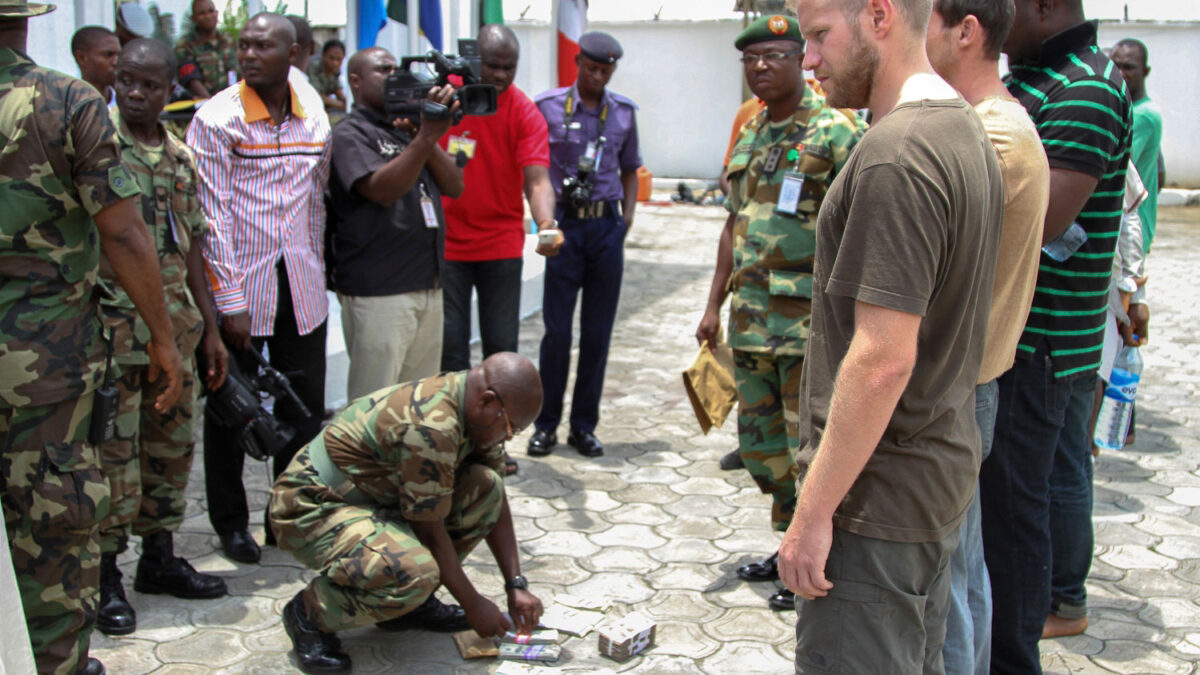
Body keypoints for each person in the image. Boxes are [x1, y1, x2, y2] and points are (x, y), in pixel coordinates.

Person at [782, 0, 1003, 672]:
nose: (809, 59)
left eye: (820, 35)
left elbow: (881, 358)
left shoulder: (895, 155)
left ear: (879, 16)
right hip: (930, 476)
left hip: (876, 502)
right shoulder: (962, 124)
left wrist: (811, 516)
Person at [1, 3, 184, 673]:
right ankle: (55, 662)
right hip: (42, 362)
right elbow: (124, 230)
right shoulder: (65, 100)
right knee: (52, 521)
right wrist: (162, 336)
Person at [978, 1, 1132, 667]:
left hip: (1040, 343)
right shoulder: (1035, 79)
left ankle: (1017, 655)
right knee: (999, 513)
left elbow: (1033, 224)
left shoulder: (1087, 87)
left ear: (1042, 7)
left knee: (1015, 518)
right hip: (1015, 334)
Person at [695, 13, 864, 612]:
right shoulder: (750, 132)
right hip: (750, 324)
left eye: (773, 55)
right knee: (763, 449)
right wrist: (714, 303)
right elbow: (733, 223)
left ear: (801, 59)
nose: (760, 67)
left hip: (807, 327)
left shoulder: (838, 133)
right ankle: (789, 545)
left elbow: (861, 231)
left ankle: (820, 564)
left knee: (808, 452)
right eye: (750, 59)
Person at [271, 352, 545, 674]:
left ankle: (407, 608)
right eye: (511, 429)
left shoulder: (475, 408)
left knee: (485, 487)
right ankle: (310, 613)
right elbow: (431, 530)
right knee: (415, 571)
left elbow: (495, 501)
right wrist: (474, 605)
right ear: (487, 401)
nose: (508, 438)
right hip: (311, 507)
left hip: (375, 499)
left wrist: (515, 583)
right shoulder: (432, 426)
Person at [924, 0, 1050, 672]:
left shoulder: (990, 137)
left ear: (967, 32)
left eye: (928, 27)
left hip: (958, 385)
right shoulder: (995, 126)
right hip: (972, 380)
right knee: (963, 570)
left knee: (945, 583)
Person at [93, 38, 231, 639]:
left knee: (171, 452)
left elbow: (194, 245)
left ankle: (159, 559)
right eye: (126, 81)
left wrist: (212, 330)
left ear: (168, 92)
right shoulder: (95, 150)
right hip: (115, 334)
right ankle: (105, 578)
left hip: (177, 330)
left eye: (149, 85)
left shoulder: (180, 159)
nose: (135, 93)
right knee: (113, 460)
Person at [188, 12, 332, 565]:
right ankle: (230, 524)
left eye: (261, 46)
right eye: (243, 45)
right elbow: (210, 218)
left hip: (300, 284)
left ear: (293, 53)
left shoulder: (312, 107)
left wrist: (318, 270)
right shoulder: (216, 119)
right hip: (241, 290)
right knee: (231, 409)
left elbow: (315, 198)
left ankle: (287, 518)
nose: (248, 54)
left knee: (302, 411)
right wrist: (229, 304)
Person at [527, 31, 641, 459]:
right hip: (564, 231)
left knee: (597, 333)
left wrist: (626, 219)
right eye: (591, 67)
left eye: (606, 70)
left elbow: (631, 169)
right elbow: (535, 169)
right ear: (578, 63)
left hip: (605, 229)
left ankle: (583, 426)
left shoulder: (624, 112)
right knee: (557, 332)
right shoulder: (548, 106)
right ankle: (545, 424)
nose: (598, 75)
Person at [326, 47, 464, 401]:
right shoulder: (350, 134)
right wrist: (424, 137)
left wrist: (424, 135)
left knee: (417, 407)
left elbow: (454, 185)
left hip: (427, 287)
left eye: (399, 68)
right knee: (375, 409)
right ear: (355, 81)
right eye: (384, 69)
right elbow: (382, 190)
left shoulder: (411, 131)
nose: (396, 76)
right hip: (379, 293)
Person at [439, 24, 557, 373]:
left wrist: (547, 222)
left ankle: (494, 427)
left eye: (510, 66)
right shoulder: (447, 98)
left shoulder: (524, 112)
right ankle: (454, 428)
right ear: (476, 59)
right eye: (493, 65)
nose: (501, 75)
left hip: (500, 245)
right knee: (451, 354)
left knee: (501, 355)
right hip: (447, 247)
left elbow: (537, 180)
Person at [1111, 39, 1161, 256]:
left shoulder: (1143, 116)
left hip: (1130, 233)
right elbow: (1162, 172)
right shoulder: (1129, 110)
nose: (1121, 73)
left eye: (1129, 67)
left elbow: (1115, 164)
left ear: (1145, 71)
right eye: (1116, 65)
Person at [175, 0, 238, 99]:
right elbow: (192, 81)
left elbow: (237, 72)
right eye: (202, 13)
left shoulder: (228, 40)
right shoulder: (185, 45)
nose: (208, 16)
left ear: (216, 13)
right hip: (203, 105)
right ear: (193, 18)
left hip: (233, 101)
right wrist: (211, 104)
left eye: (211, 11)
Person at [71, 25, 120, 102]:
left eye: (119, 55)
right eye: (109, 54)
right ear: (82, 58)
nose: (116, 62)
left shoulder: (128, 106)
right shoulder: (66, 107)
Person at [309, 39, 347, 119]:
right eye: (331, 58)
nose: (335, 63)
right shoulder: (313, 68)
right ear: (323, 55)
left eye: (339, 59)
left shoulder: (336, 72)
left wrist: (346, 101)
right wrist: (342, 105)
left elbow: (339, 92)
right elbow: (317, 96)